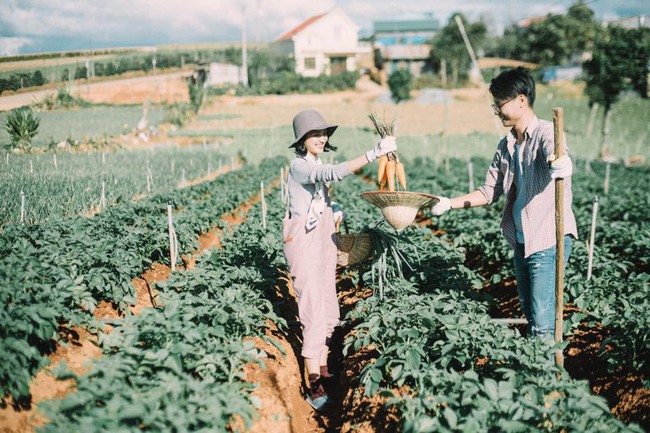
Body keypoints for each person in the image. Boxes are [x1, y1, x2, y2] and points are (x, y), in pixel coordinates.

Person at [431, 67, 577, 341]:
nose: (497, 111)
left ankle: (548, 380)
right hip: (522, 240)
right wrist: (450, 203)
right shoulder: (506, 144)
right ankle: (540, 373)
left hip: (548, 239)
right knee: (530, 313)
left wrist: (560, 162)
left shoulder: (547, 132)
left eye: (500, 104)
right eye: (495, 105)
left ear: (521, 100)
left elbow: (554, 153)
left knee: (543, 321)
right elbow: (488, 191)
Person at [283, 109, 396, 410]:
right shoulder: (299, 166)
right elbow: (330, 173)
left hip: (323, 244)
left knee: (330, 310)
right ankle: (313, 386)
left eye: (323, 134)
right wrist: (373, 153)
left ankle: (322, 367)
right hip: (304, 247)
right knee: (312, 312)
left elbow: (317, 197)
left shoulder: (314, 162)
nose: (320, 138)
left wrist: (332, 211)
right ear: (302, 140)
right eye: (313, 135)